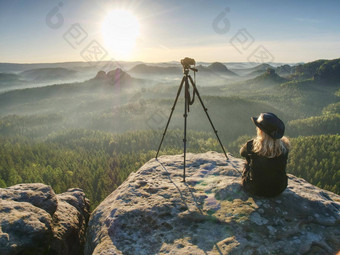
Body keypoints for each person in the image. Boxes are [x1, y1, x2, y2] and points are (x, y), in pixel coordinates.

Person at [240, 112, 290, 197]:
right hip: (278, 189)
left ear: (260, 131)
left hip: (254, 189)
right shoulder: (284, 147)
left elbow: (242, 153)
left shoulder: (252, 145)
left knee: (248, 160)